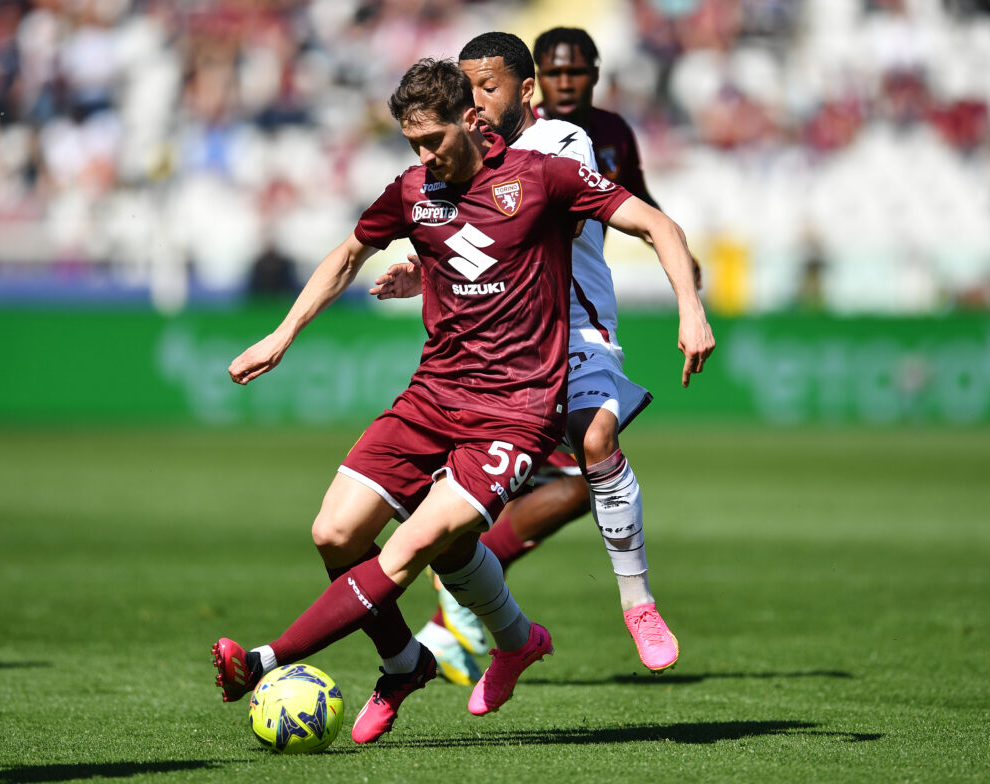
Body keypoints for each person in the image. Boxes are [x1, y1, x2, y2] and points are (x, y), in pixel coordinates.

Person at [213, 57, 713, 744]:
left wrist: (691, 309)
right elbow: (347, 253)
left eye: (433, 141)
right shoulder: (414, 190)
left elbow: (657, 224)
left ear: (473, 121)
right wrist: (282, 334)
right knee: (333, 533)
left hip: (515, 409)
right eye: (411, 144)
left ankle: (264, 659)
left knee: (418, 544)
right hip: (433, 395)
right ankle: (412, 662)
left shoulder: (543, 178)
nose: (423, 157)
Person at [370, 32, 711, 687]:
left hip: (573, 330)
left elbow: (530, 226)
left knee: (595, 440)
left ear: (526, 92)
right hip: (493, 349)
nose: (473, 102)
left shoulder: (561, 144)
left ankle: (638, 605)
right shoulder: (463, 160)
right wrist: (427, 270)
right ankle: (503, 638)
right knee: (444, 522)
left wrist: (689, 308)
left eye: (487, 88)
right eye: (465, 89)